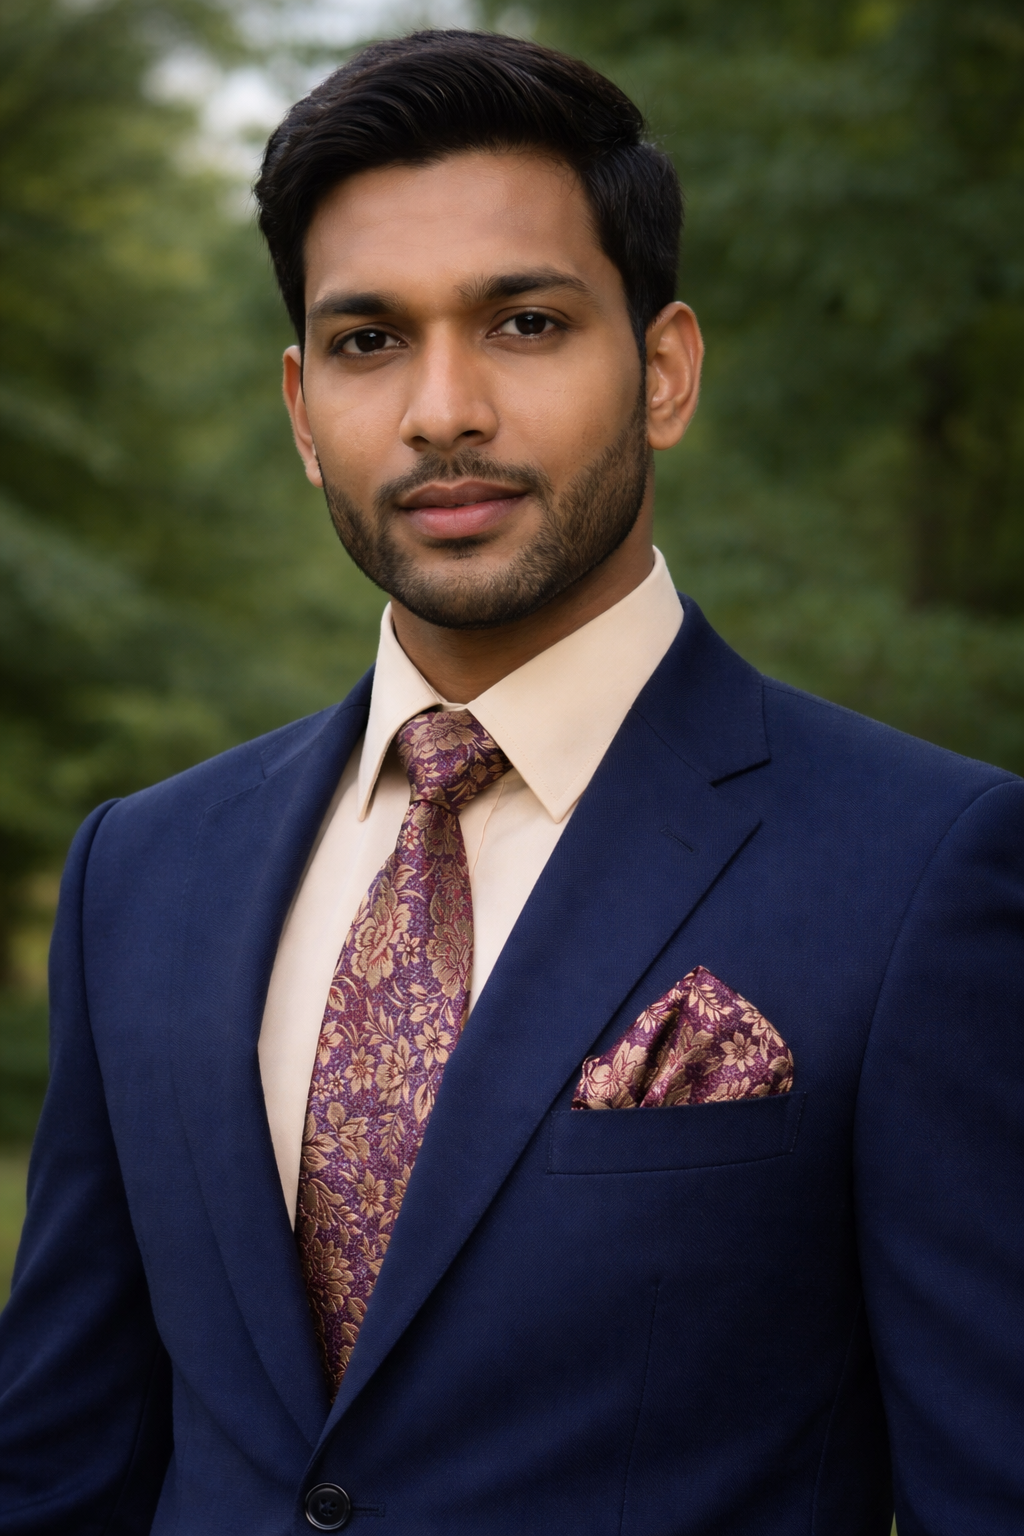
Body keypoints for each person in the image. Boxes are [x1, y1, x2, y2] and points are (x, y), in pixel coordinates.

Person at [0, 27, 1021, 1536]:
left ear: (664, 371)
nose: (442, 409)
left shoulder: (927, 867)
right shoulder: (140, 873)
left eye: (525, 323)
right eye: (368, 341)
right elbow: (59, 1462)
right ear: (300, 411)